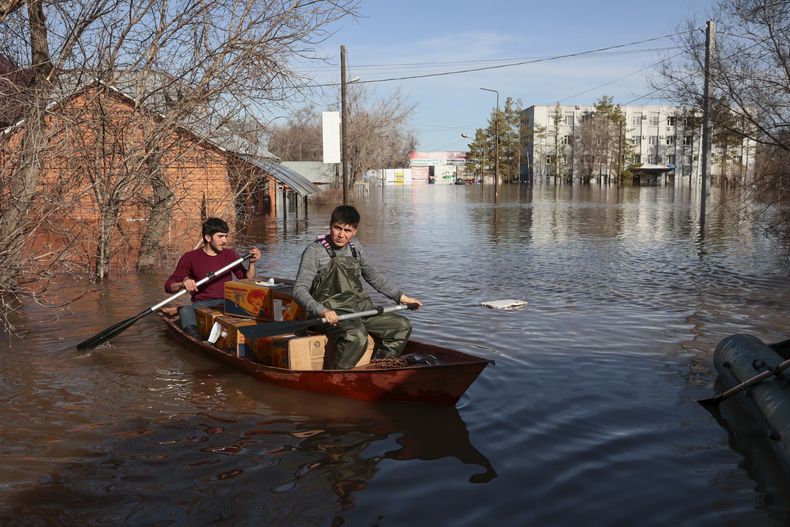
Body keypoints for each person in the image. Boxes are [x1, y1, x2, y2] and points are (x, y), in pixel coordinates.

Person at [293, 205, 422, 369]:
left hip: (358, 309)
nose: (341, 235)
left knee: (402, 327)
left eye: (347, 230)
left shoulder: (356, 248)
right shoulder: (314, 251)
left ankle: (378, 369)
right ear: (330, 225)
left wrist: (402, 298)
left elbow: (373, 276)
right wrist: (322, 311)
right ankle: (338, 378)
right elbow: (299, 289)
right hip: (329, 314)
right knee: (356, 336)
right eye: (337, 228)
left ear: (355, 231)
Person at [164, 217, 261, 338]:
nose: (224, 240)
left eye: (225, 236)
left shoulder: (230, 255)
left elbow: (246, 279)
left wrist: (252, 263)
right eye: (220, 237)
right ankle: (196, 339)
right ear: (208, 238)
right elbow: (169, 286)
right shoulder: (190, 257)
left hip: (228, 303)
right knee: (185, 310)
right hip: (202, 304)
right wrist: (183, 284)